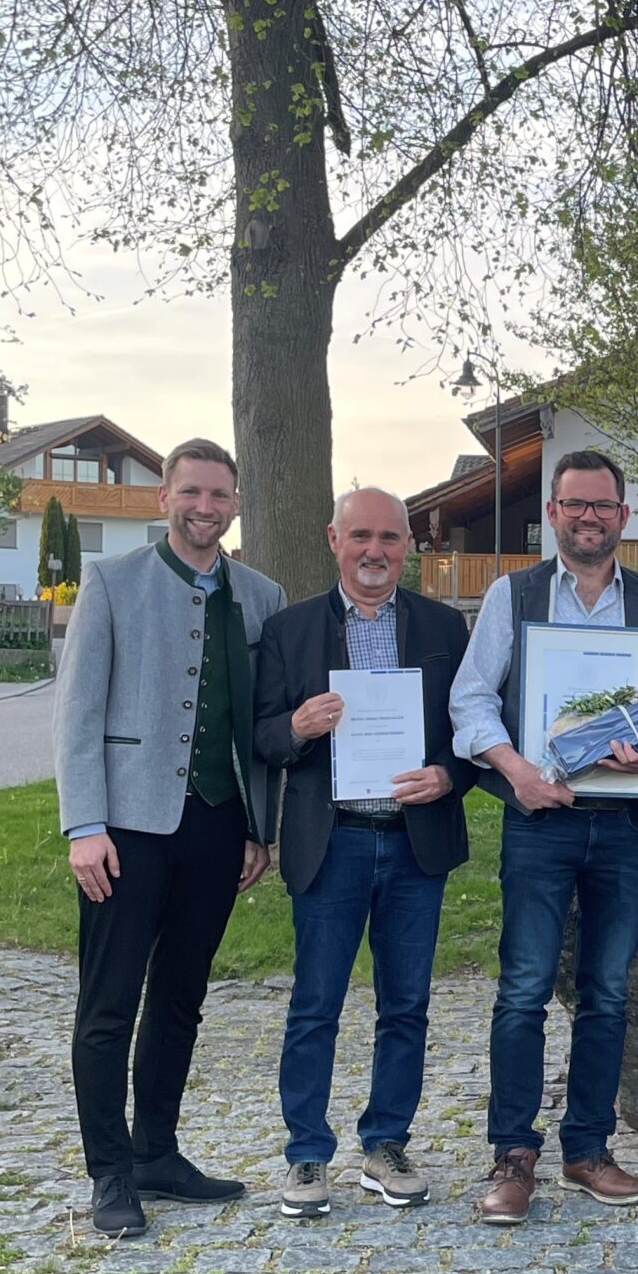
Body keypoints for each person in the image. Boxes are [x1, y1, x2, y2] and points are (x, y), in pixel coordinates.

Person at [450, 448, 638, 1222]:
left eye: (603, 506)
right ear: (553, 513)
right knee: (523, 989)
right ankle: (513, 1155)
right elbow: (470, 699)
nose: (589, 517)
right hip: (540, 820)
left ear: (623, 516)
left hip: (623, 825)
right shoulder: (513, 595)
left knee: (608, 993)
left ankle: (588, 1150)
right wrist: (515, 769)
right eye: (575, 505)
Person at [53, 439, 284, 1236]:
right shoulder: (113, 582)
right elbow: (77, 713)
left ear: (235, 504)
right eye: (191, 492)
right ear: (165, 498)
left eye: (219, 495)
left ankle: (156, 1151)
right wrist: (84, 825)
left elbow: (257, 722)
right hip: (125, 825)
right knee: (109, 1003)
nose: (204, 507)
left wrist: (258, 827)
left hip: (217, 826)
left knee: (181, 997)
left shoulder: (262, 595)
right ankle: (110, 1173)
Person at [253, 488, 473, 1219]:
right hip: (333, 840)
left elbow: (476, 726)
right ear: (333, 540)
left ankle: (386, 1144)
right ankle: (306, 1154)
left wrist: (448, 774)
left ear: (407, 546)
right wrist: (297, 726)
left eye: (389, 538)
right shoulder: (289, 630)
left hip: (414, 842)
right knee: (315, 1004)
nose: (375, 551)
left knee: (406, 1005)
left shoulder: (443, 627)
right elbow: (260, 735)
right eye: (361, 537)